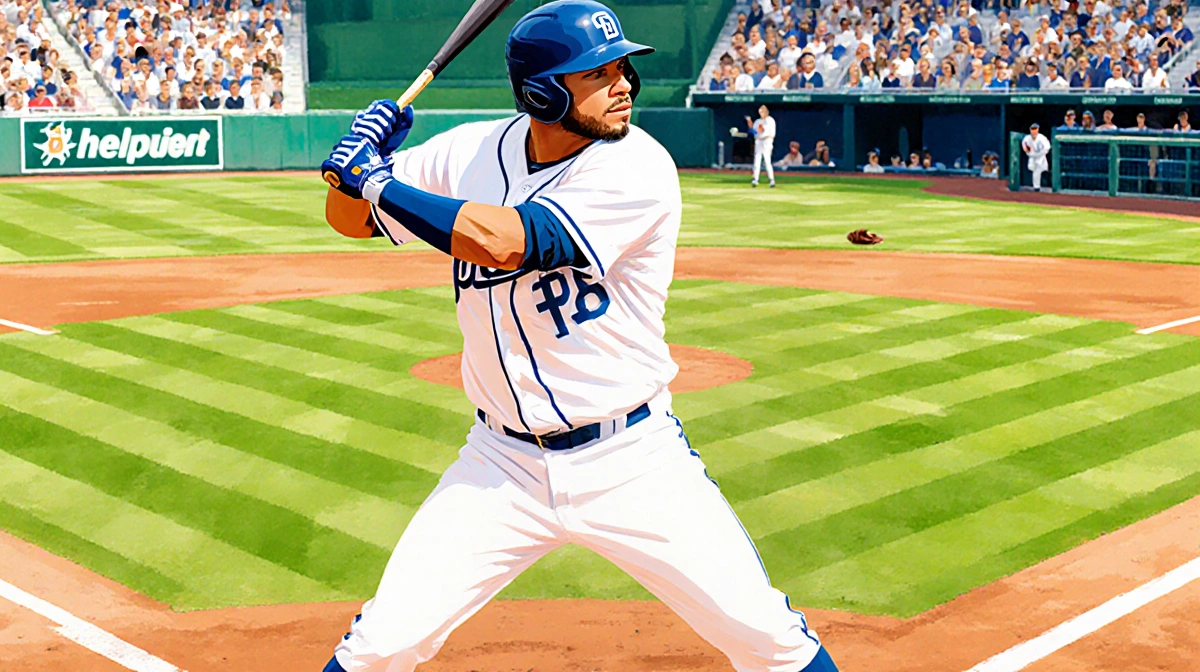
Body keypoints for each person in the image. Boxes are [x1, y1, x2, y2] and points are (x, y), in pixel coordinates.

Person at [318, 3, 841, 672]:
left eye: (624, 67)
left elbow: (507, 242)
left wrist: (379, 179)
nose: (624, 84)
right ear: (541, 91)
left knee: (766, 639)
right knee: (382, 644)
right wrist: (352, 165)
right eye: (599, 72)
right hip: (498, 466)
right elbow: (350, 220)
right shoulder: (467, 152)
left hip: (631, 458)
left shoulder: (638, 167)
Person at [746, 104, 777, 188]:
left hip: (767, 140)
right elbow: (755, 132)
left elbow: (762, 130)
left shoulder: (770, 120)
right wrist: (750, 123)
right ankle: (755, 179)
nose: (761, 113)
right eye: (760, 112)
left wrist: (758, 128)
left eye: (763, 112)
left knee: (767, 160)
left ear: (766, 112)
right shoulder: (757, 121)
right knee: (757, 160)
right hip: (759, 141)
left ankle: (771, 180)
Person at [1022, 122, 1050, 191]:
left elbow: (1047, 147)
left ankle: (1040, 187)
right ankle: (1036, 188)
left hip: (1041, 157)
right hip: (1032, 157)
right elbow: (1026, 149)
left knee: (1042, 170)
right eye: (1032, 129)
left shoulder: (1042, 137)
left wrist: (1042, 153)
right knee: (1034, 171)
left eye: (1035, 129)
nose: (1034, 131)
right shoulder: (1027, 138)